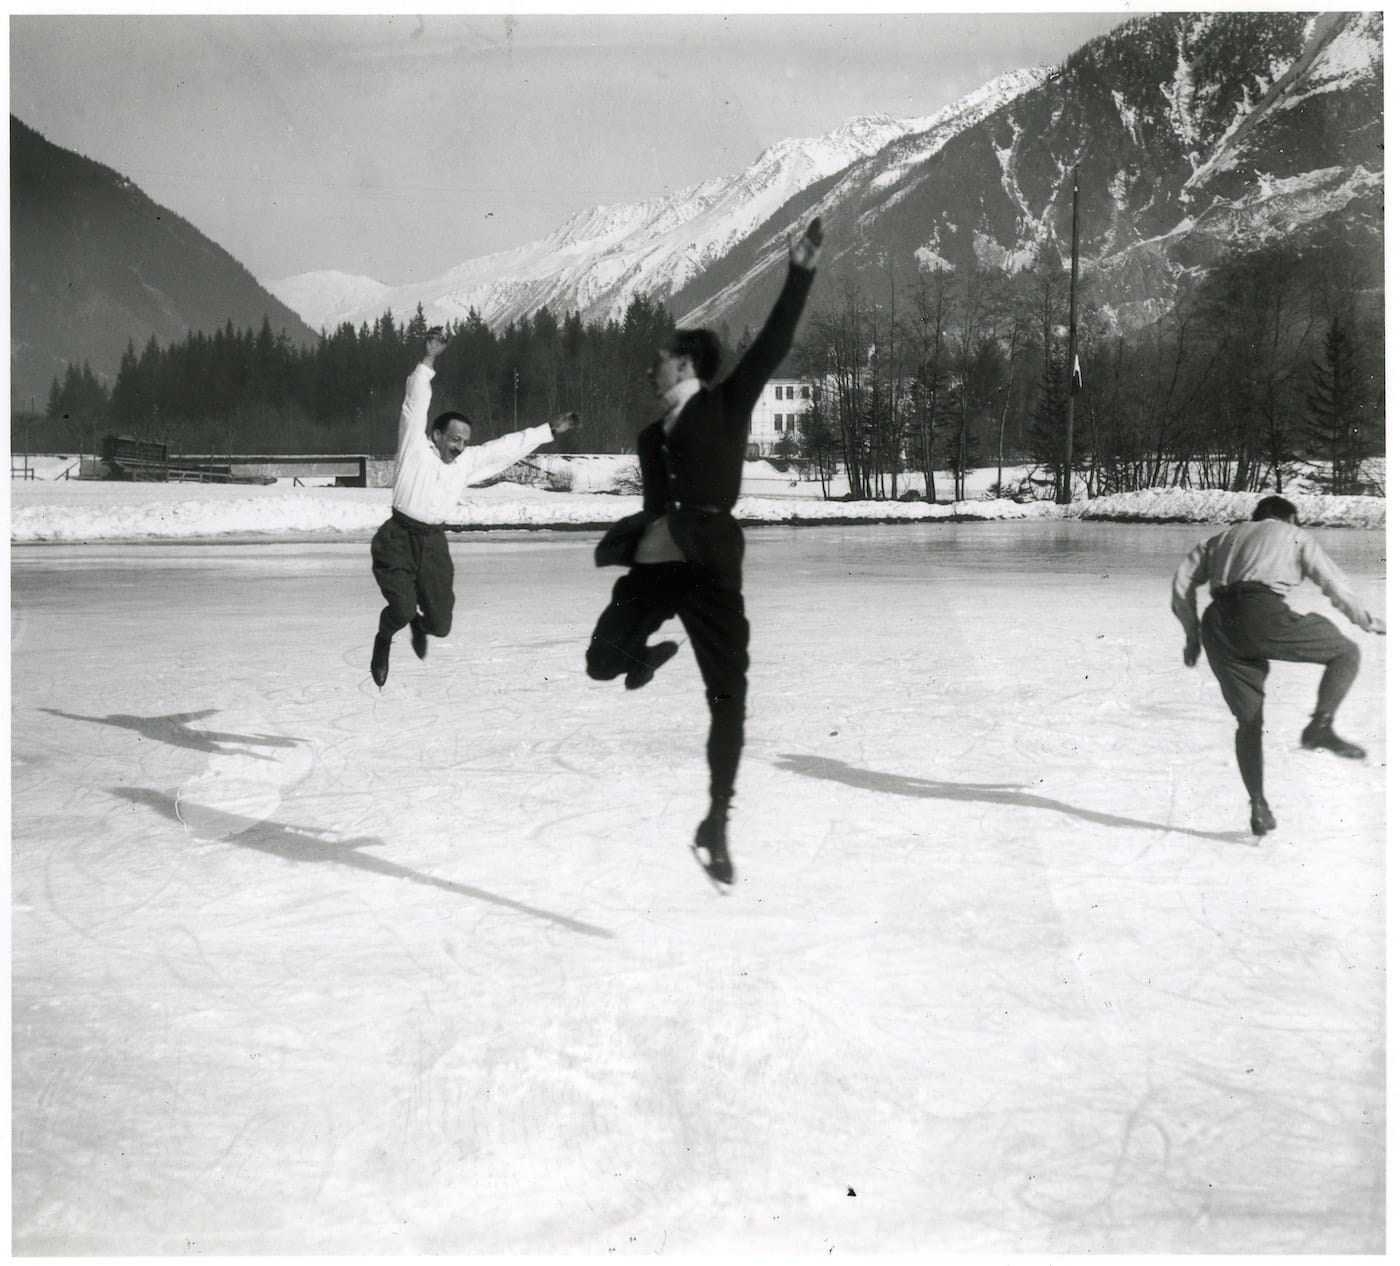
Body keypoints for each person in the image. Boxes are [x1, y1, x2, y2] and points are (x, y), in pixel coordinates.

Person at [586, 217, 824, 885]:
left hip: (712, 566)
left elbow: (773, 345)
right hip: (658, 566)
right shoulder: (646, 436)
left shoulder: (726, 405)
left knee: (730, 697)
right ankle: (645, 655)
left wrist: (800, 272)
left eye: (659, 356)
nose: (649, 364)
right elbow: (658, 504)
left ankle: (716, 822)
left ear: (686, 363)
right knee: (601, 664)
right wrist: (633, 545)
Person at [370, 327, 578, 687]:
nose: (460, 447)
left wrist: (548, 430)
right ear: (436, 435)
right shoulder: (414, 449)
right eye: (454, 439)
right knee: (401, 609)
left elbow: (506, 447)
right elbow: (415, 403)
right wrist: (429, 359)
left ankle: (419, 625)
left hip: (433, 543)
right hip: (398, 538)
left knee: (441, 625)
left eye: (465, 441)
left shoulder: (467, 462)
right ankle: (384, 639)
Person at [1171, 494, 1384, 836]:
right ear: (1289, 518)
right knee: (1345, 653)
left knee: (1248, 722)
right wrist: (1367, 620)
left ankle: (1257, 803)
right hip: (1261, 613)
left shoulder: (1221, 538)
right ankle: (1320, 726)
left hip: (1217, 627)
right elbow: (1333, 582)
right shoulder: (1292, 534)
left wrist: (1193, 635)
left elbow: (1182, 583)